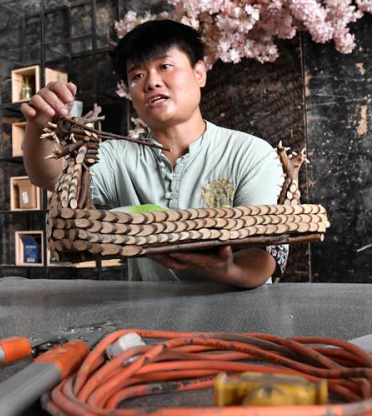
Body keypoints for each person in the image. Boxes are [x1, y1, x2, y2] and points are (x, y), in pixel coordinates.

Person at [20, 19, 286, 288]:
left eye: (165, 66)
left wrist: (223, 268)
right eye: (137, 75)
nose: (151, 82)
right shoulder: (116, 157)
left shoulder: (250, 153)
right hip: (151, 320)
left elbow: (264, 257)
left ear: (199, 74)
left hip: (238, 319)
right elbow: (50, 176)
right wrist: (38, 124)